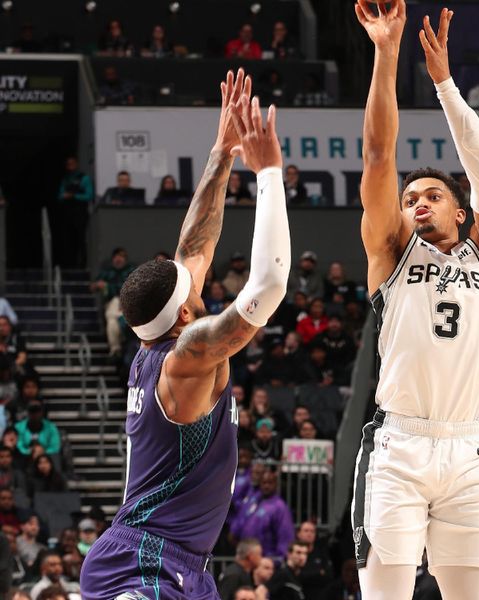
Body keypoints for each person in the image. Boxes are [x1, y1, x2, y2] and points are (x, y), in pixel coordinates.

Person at [79, 69, 292, 599]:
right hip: (143, 561)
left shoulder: (165, 337)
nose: (202, 278)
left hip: (179, 564)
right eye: (193, 288)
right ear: (181, 316)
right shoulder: (188, 357)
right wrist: (267, 174)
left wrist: (222, 151)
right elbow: (268, 286)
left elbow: (194, 242)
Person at [353, 3, 479, 598]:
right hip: (399, 448)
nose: (417, 202)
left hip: (468, 450)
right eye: (410, 197)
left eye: (432, 194)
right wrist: (386, 53)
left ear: (459, 211)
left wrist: (443, 83)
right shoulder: (392, 253)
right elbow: (377, 156)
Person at [230, 470, 295, 558]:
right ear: (260, 484)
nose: (266, 486)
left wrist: (278, 560)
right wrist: (234, 533)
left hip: (266, 559)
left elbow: (285, 537)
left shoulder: (280, 507)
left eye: (270, 483)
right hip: (246, 557)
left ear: (276, 485)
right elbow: (239, 522)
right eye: (264, 483)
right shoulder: (252, 501)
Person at [90, 247, 136, 357]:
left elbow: (130, 287)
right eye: (116, 256)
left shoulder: (130, 271)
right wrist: (98, 285)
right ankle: (116, 350)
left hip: (127, 304)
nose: (118, 259)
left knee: (115, 318)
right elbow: (92, 287)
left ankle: (116, 349)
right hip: (112, 304)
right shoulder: (107, 272)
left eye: (121, 257)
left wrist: (108, 286)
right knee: (112, 321)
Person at [56, 156, 94, 268]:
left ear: (76, 164)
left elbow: (89, 195)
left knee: (81, 239)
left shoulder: (84, 178)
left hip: (80, 213)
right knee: (67, 239)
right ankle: (68, 264)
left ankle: (82, 264)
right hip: (67, 214)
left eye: (72, 163)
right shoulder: (65, 179)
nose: (70, 166)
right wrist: (65, 196)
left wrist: (74, 196)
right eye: (68, 164)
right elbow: (60, 195)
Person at [297, 520, 334, 600]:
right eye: (306, 531)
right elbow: (296, 577)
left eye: (312, 531)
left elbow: (329, 575)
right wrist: (319, 572)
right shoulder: (295, 552)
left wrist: (306, 574)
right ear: (299, 534)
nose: (309, 534)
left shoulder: (322, 552)